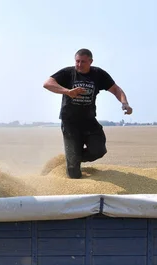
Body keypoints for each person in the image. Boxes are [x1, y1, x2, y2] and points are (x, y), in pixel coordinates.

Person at [43, 48, 132, 179]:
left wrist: (124, 103)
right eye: (77, 61)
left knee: (99, 150)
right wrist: (67, 91)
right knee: (73, 172)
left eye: (83, 62)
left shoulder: (98, 74)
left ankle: (73, 158)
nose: (79, 65)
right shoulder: (68, 73)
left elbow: (116, 89)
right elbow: (47, 83)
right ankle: (72, 163)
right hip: (70, 122)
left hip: (89, 121)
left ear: (90, 61)